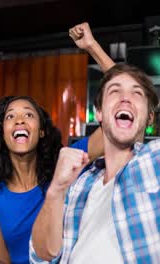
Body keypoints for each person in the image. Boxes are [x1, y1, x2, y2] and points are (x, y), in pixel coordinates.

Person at [30, 62, 160, 263]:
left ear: (149, 117)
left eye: (137, 93)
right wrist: (56, 190)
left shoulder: (154, 160)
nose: (125, 98)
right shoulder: (79, 185)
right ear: (99, 112)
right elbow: (42, 255)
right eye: (114, 92)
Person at [0, 95, 104, 264]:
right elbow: (1, 259)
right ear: (2, 133)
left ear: (41, 131)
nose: (20, 120)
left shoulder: (64, 166)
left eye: (29, 115)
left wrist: (110, 73)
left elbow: (111, 129)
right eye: (10, 116)